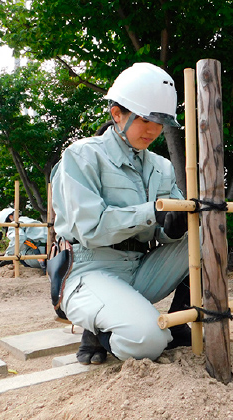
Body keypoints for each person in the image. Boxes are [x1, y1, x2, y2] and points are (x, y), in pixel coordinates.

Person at [50, 62, 192, 365]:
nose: (154, 130)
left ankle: (178, 324)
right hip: (89, 271)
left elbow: (164, 227)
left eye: (161, 122)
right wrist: (151, 212)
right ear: (117, 114)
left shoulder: (161, 167)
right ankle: (99, 327)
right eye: (145, 119)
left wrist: (174, 228)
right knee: (148, 340)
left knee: (208, 229)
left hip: (140, 269)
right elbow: (90, 228)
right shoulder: (81, 156)